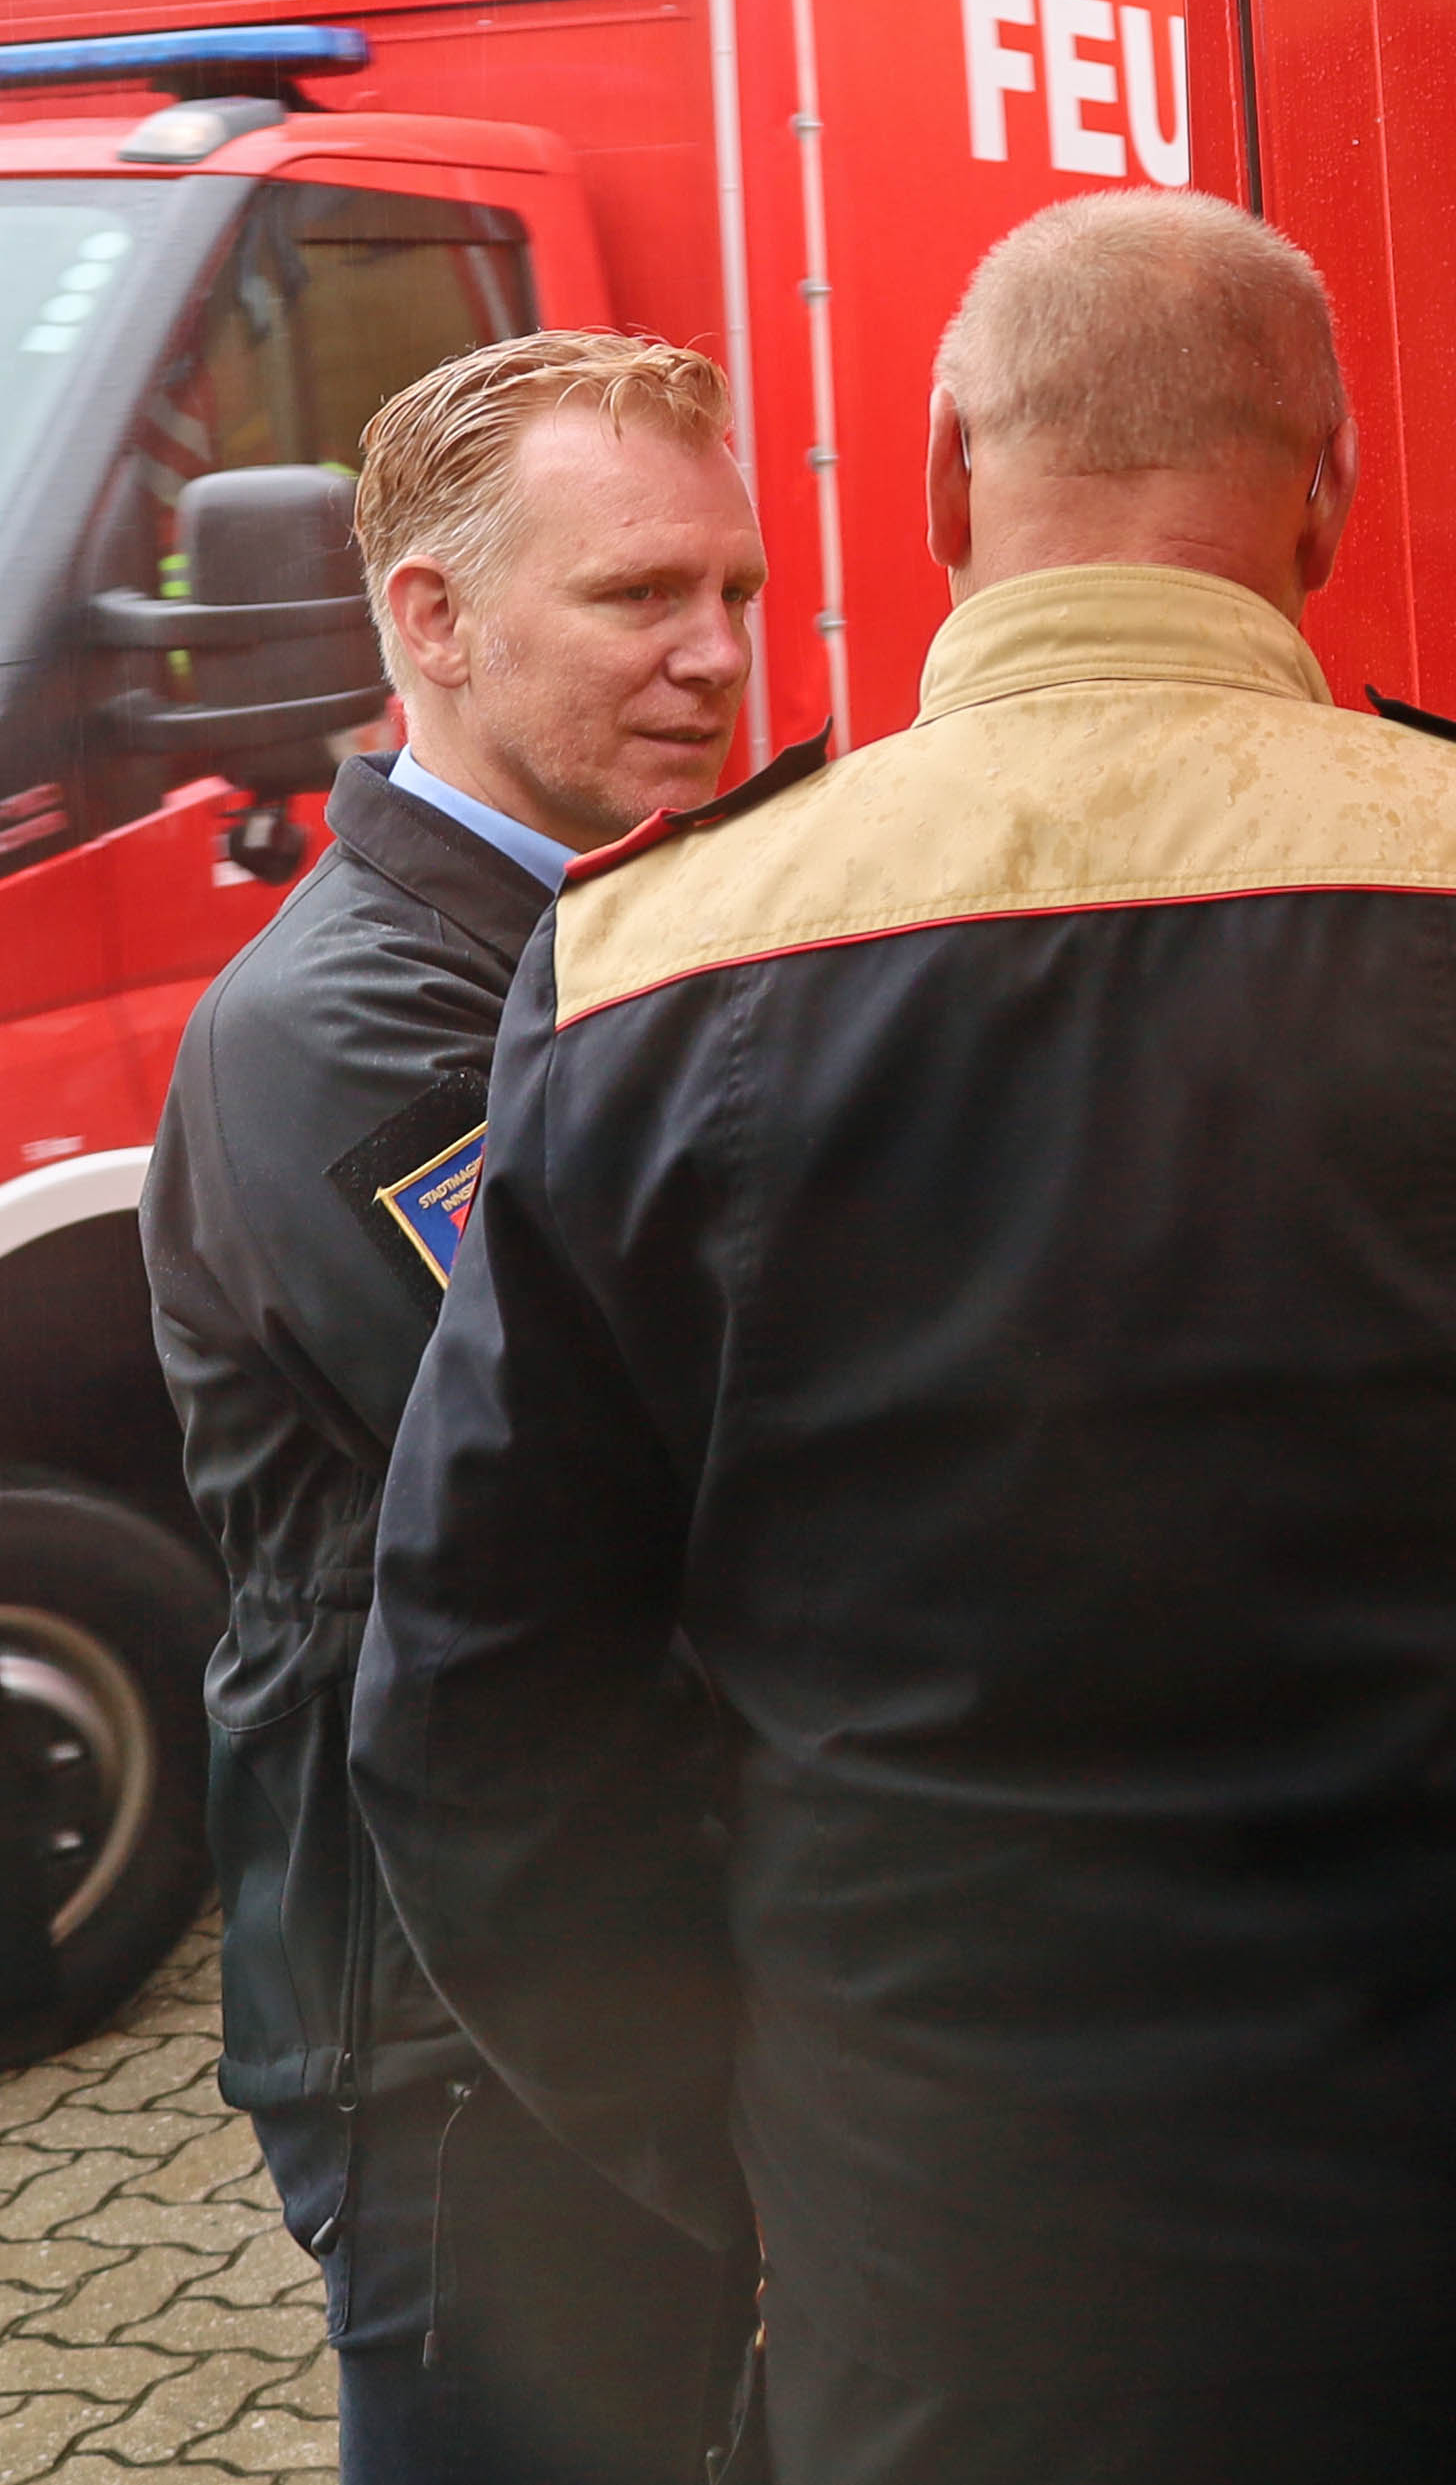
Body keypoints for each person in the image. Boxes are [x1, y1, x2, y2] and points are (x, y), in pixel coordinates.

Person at [348, 189, 1456, 2485]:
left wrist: (745, 2120)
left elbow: (471, 1704)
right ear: (1324, 494)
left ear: (937, 488)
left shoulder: (647, 970)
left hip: (947, 2288)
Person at [138, 333, 769, 2485]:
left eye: (736, 594)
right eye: (636, 598)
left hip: (623, 1978)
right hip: (467, 2033)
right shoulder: (353, 1032)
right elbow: (630, 1486)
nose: (712, 659)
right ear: (430, 617)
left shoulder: (600, 939)